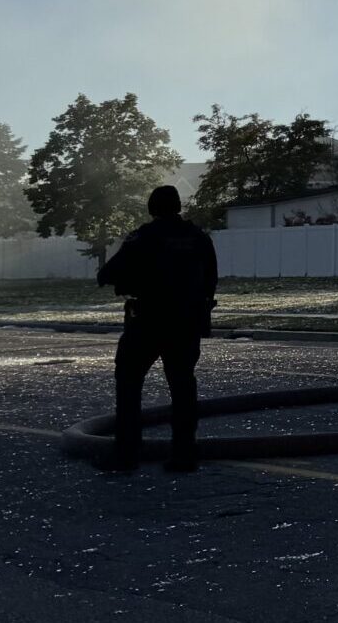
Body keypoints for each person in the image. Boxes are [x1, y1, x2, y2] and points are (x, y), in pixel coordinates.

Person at [95, 185, 217, 472]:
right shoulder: (198, 237)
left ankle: (127, 453)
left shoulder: (144, 236)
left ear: (152, 208)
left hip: (149, 320)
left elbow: (109, 273)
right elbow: (211, 279)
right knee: (183, 385)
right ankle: (184, 453)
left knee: (128, 381)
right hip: (186, 321)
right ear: (178, 206)